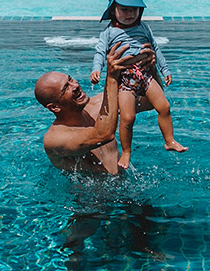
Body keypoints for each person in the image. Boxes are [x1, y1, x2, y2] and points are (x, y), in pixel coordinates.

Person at [89, 0, 186, 170]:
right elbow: (100, 52)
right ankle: (126, 153)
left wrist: (164, 69)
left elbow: (156, 49)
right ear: (113, 9)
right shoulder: (109, 33)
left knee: (164, 107)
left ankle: (169, 140)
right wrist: (96, 69)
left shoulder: (144, 28)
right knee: (127, 118)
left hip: (146, 75)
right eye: (124, 9)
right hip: (125, 81)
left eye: (134, 9)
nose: (129, 13)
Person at [35, 41, 154, 175]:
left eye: (71, 79)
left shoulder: (99, 104)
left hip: (126, 188)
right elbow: (103, 134)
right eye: (65, 88)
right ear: (55, 107)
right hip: (89, 196)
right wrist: (112, 78)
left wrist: (149, 68)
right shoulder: (55, 139)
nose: (75, 86)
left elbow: (151, 101)